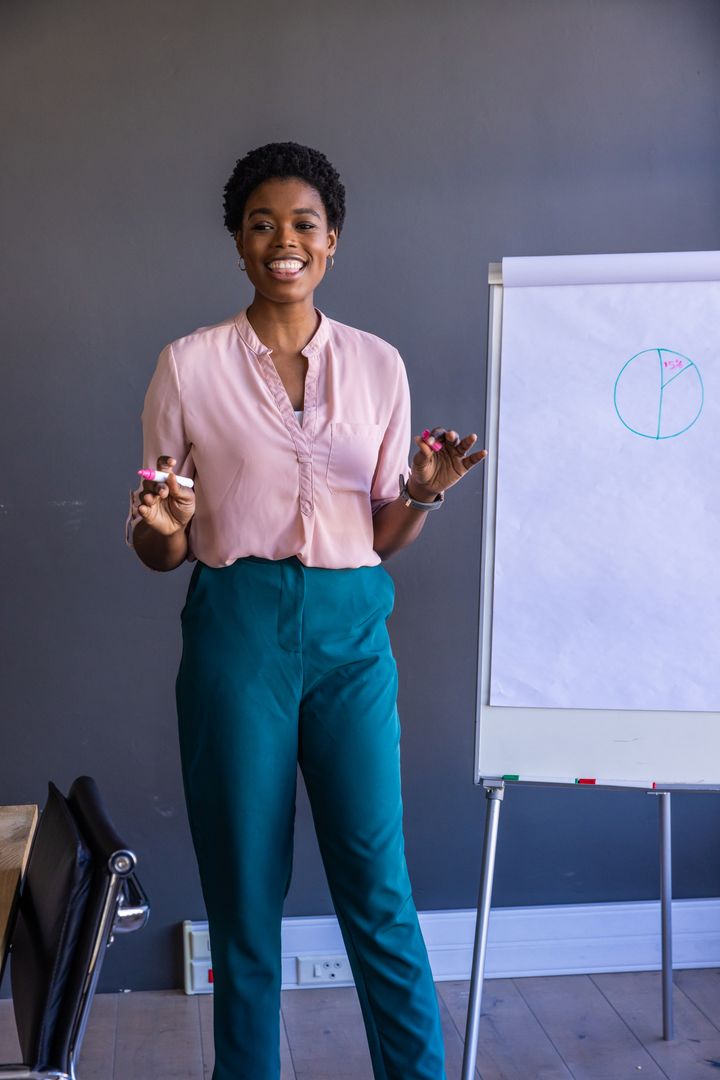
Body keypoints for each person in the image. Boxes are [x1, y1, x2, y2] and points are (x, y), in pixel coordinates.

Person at [128, 141, 486, 1080]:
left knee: (379, 891)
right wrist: (164, 524)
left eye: (303, 224)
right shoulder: (189, 365)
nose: (283, 241)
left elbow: (384, 528)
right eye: (261, 224)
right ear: (237, 242)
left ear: (332, 241)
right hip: (236, 632)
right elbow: (159, 544)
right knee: (245, 904)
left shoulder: (378, 365)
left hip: (351, 636)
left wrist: (425, 491)